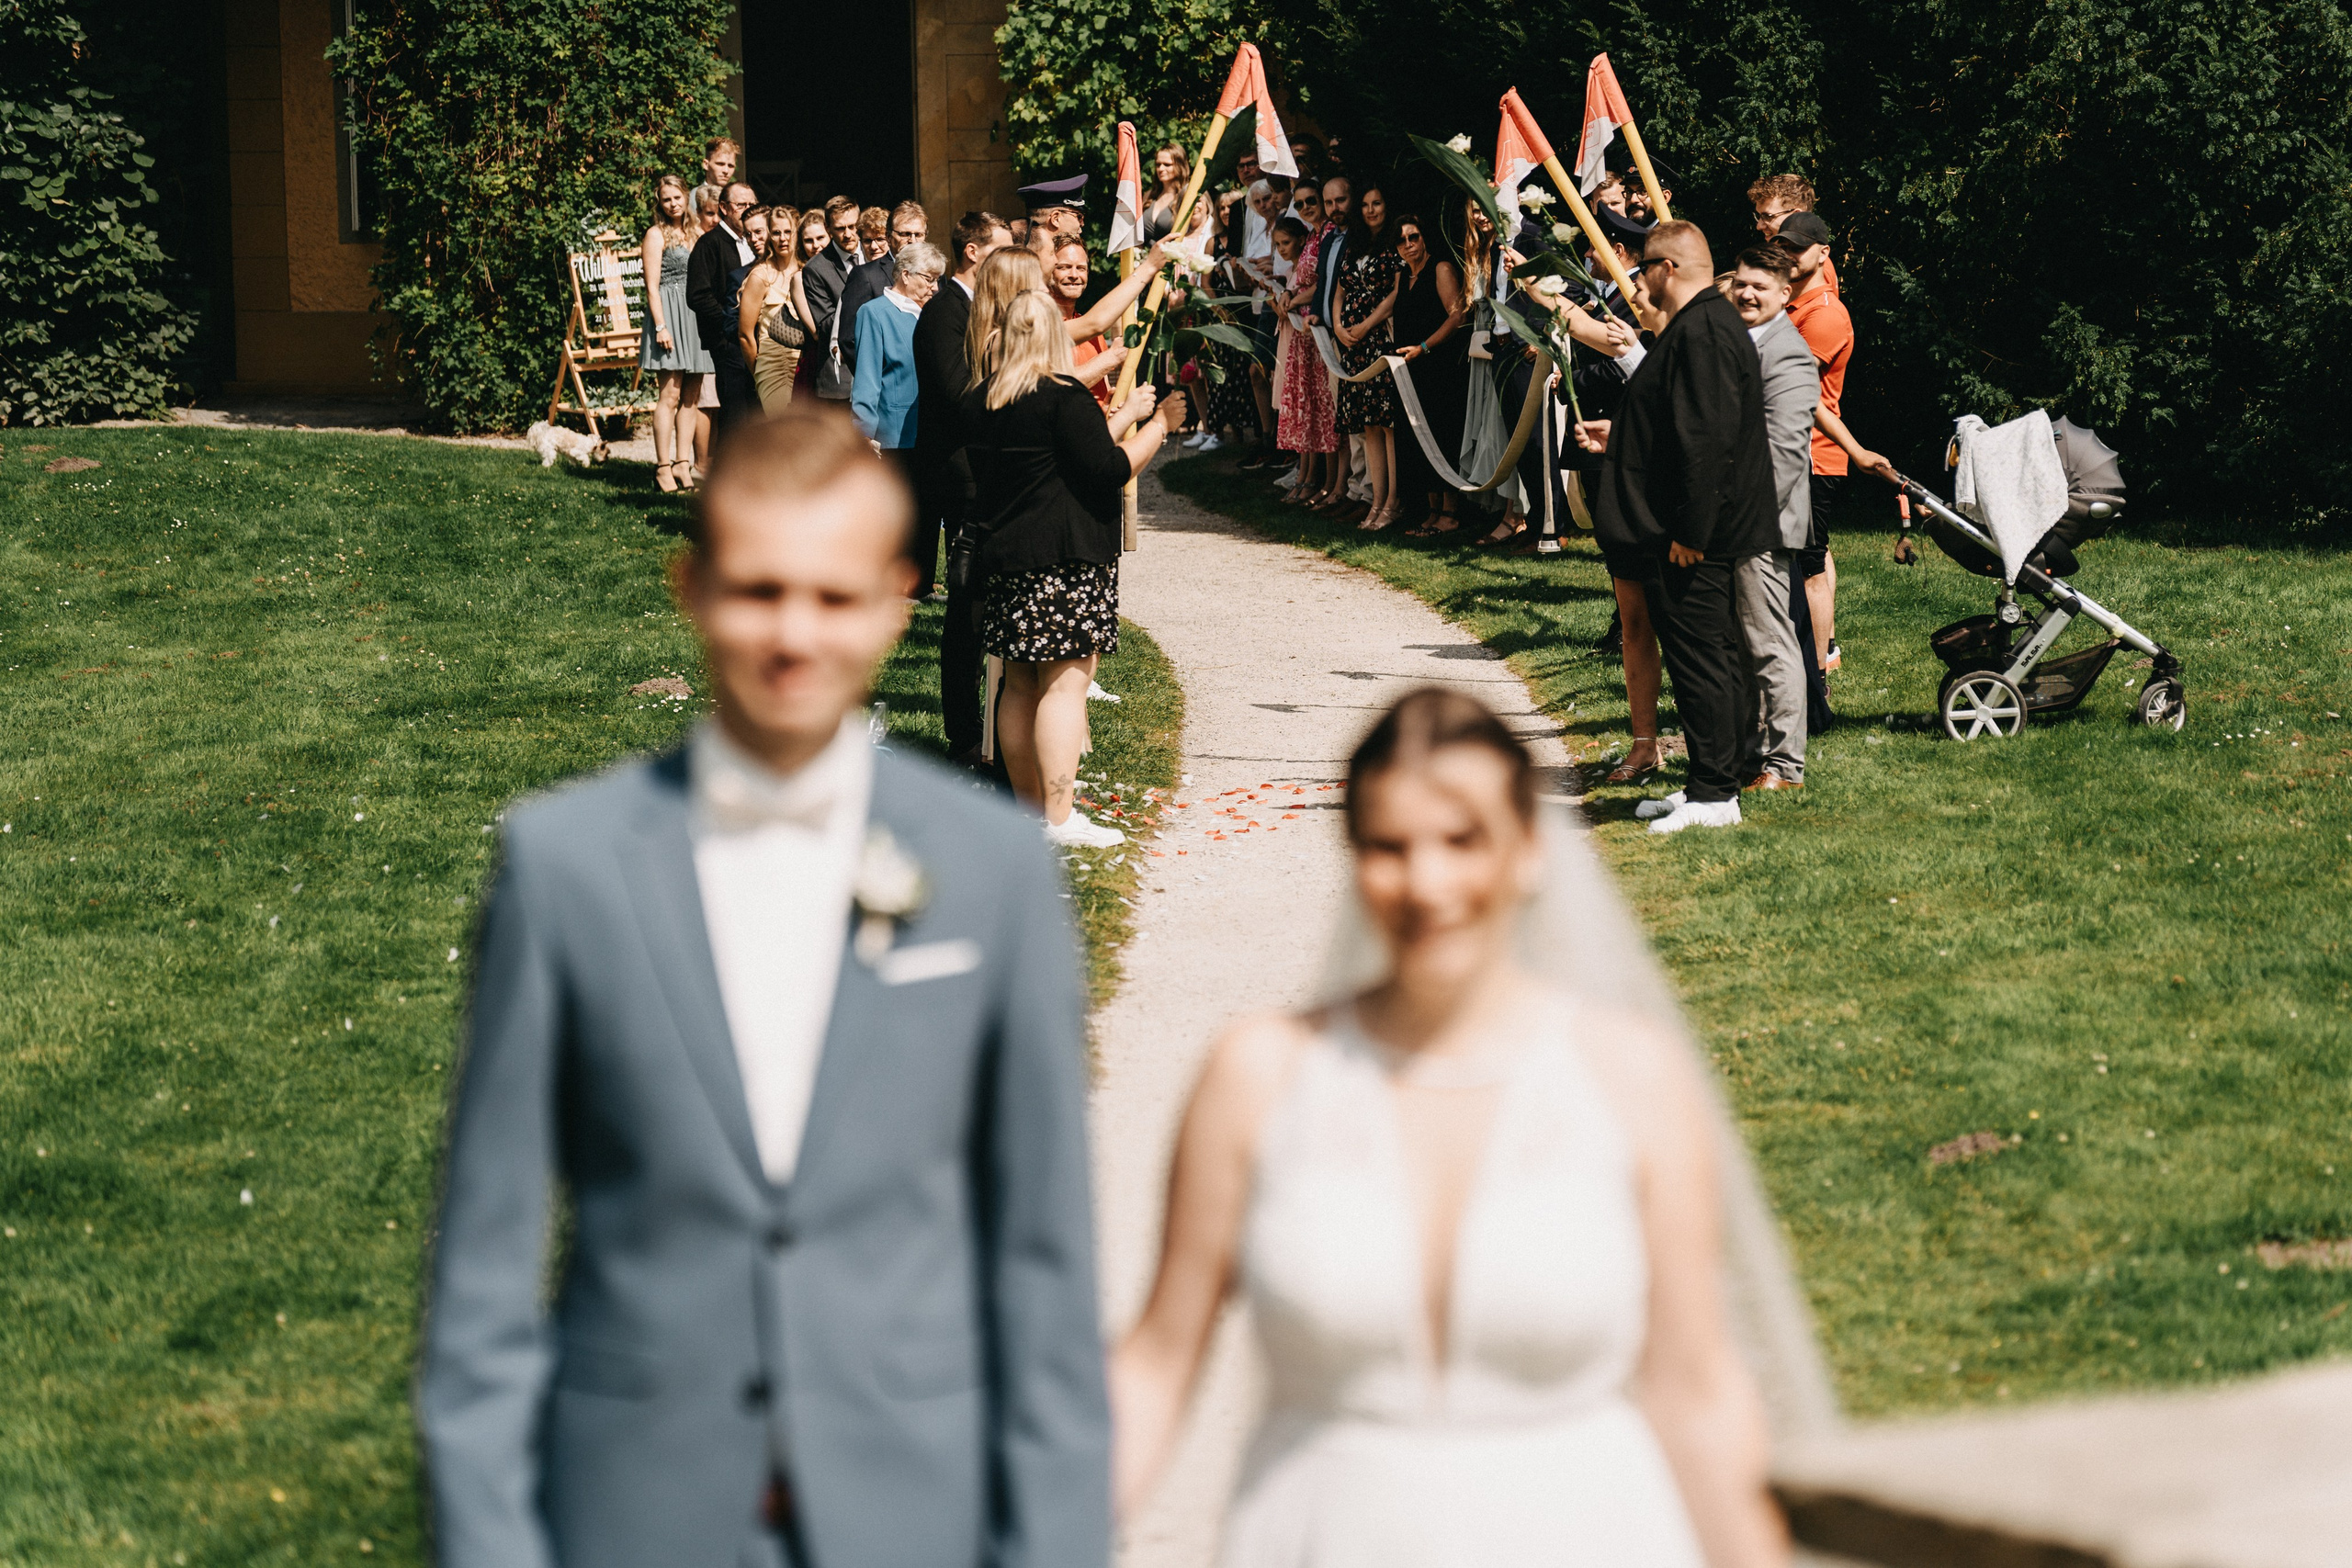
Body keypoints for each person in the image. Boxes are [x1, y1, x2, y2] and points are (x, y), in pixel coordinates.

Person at [418, 403, 1110, 1568]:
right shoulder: (563, 867)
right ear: (690, 586)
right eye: (756, 590)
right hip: (635, 1509)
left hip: (912, 1507)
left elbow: (1044, 1266)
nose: (794, 634)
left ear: (898, 600)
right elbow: (482, 1280)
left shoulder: (992, 873)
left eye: (835, 597)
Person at [1111, 686, 1787, 1568]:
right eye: (1389, 846)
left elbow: (1695, 1388)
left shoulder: (1630, 1077)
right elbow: (1158, 1363)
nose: (1427, 884)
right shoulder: (1259, 1076)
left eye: (1462, 840)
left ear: (1529, 851)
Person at [1575, 220, 1778, 835]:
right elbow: (1679, 422)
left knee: (1702, 656)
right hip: (1686, 528)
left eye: (1642, 271)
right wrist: (1625, 435)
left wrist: (1691, 530)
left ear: (1666, 269)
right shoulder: (1696, 327)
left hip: (1695, 535)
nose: (1636, 283)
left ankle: (1716, 791)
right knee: (1705, 652)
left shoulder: (1705, 331)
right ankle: (1712, 780)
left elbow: (1708, 442)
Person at [962, 290, 1182, 846]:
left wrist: (1126, 415)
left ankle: (1029, 813)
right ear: (1056, 338)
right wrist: (1159, 425)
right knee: (1065, 686)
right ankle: (1058, 820)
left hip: (1009, 555)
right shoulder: (1062, 397)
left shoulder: (984, 398)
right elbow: (1107, 470)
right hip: (1065, 558)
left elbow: (1064, 462)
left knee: (1018, 683)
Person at [1774, 212, 1892, 683]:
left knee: (1811, 563)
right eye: (1783, 246)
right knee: (1794, 560)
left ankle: (1818, 667)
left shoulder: (1824, 315)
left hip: (1815, 455)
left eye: (1798, 249)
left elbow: (1796, 390)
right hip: (1786, 450)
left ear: (1823, 254)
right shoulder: (1790, 302)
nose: (1788, 255)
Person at [915, 210, 1014, 745]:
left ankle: (996, 723)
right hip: (961, 474)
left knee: (988, 602)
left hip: (987, 468)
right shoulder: (944, 313)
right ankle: (963, 727)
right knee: (968, 605)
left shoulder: (981, 309)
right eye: (1002, 248)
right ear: (974, 252)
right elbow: (958, 395)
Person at [1724, 246, 1818, 791]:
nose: (1747, 294)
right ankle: (1752, 755)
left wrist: (1735, 515)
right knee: (1739, 645)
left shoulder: (1789, 355)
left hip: (1762, 522)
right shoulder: (1739, 341)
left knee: (1769, 643)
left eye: (1760, 286)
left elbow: (1783, 455)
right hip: (1731, 519)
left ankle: (1786, 766)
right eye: (1741, 283)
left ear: (1786, 293)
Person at [1388, 212, 1466, 535]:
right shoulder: (1402, 276)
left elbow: (1457, 316)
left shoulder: (1441, 268)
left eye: (1414, 237)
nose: (1409, 245)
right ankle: (1432, 510)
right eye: (1402, 240)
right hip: (1409, 369)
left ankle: (1451, 511)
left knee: (1441, 434)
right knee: (1417, 437)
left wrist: (1424, 346)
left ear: (1424, 238)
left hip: (1437, 365)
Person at [852, 242, 944, 496]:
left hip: (930, 431)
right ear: (906, 274)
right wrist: (864, 432)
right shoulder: (874, 313)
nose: (934, 288)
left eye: (937, 280)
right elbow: (867, 378)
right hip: (894, 435)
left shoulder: (932, 313)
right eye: (929, 279)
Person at [640, 175, 713, 493]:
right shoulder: (656, 235)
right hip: (668, 314)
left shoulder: (697, 233)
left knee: (692, 396)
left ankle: (683, 464)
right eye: (666, 199)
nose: (673, 203)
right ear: (660, 202)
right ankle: (662, 468)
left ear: (687, 197)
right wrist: (660, 327)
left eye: (677, 197)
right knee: (669, 395)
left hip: (695, 315)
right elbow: (652, 288)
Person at [685, 179, 763, 440]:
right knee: (735, 414)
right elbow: (697, 295)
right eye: (742, 204)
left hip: (757, 340)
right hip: (728, 343)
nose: (749, 209)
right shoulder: (709, 244)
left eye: (753, 204)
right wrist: (732, 323)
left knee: (759, 412)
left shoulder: (754, 242)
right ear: (724, 208)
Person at [1270, 214, 1338, 500]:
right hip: (1298, 341)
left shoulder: (1320, 243)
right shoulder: (1297, 266)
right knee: (1304, 408)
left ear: (1300, 241)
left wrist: (1293, 299)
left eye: (1285, 243)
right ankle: (1304, 474)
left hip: (1313, 340)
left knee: (1320, 409)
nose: (1281, 249)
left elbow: (1319, 284)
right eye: (1277, 244)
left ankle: (1320, 480)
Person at [836, 201, 929, 376]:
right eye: (905, 234)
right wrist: (878, 379)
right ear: (888, 236)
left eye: (919, 234)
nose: (913, 241)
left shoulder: (936, 278)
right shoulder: (865, 275)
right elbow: (849, 339)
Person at [802, 196, 865, 402]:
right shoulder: (816, 269)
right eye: (840, 228)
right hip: (841, 377)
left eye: (853, 226)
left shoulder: (875, 252)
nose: (848, 234)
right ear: (829, 229)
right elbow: (827, 325)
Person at [1747, 175, 1838, 297]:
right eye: (1759, 217)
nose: (1759, 226)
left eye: (1768, 217)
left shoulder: (1812, 267)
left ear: (1795, 215)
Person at [728, 204, 776, 396]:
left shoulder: (799, 268)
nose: (753, 239)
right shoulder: (740, 277)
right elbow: (735, 328)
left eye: (758, 232)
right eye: (748, 235)